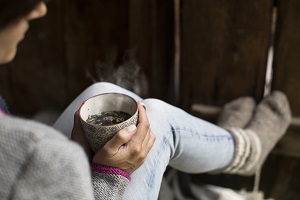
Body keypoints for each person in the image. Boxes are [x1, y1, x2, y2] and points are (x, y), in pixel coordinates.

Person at [0, 0, 292, 199]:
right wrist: (110, 176)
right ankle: (247, 150)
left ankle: (232, 145)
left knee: (101, 91)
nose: (39, 9)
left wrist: (76, 151)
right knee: (156, 119)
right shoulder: (34, 154)